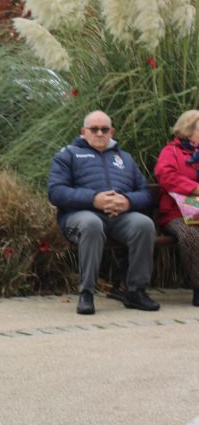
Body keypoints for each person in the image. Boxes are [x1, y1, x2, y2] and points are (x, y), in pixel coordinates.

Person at [48, 110, 159, 315]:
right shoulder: (68, 154)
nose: (99, 133)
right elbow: (56, 192)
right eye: (94, 129)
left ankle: (135, 291)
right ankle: (87, 293)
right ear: (84, 131)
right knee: (91, 224)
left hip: (120, 217)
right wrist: (94, 200)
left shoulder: (124, 158)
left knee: (144, 224)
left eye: (104, 129)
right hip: (81, 215)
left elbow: (145, 193)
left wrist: (127, 202)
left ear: (112, 132)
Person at [154, 110, 199, 307]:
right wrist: (195, 189)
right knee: (191, 235)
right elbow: (165, 176)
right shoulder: (171, 152)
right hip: (176, 213)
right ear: (189, 130)